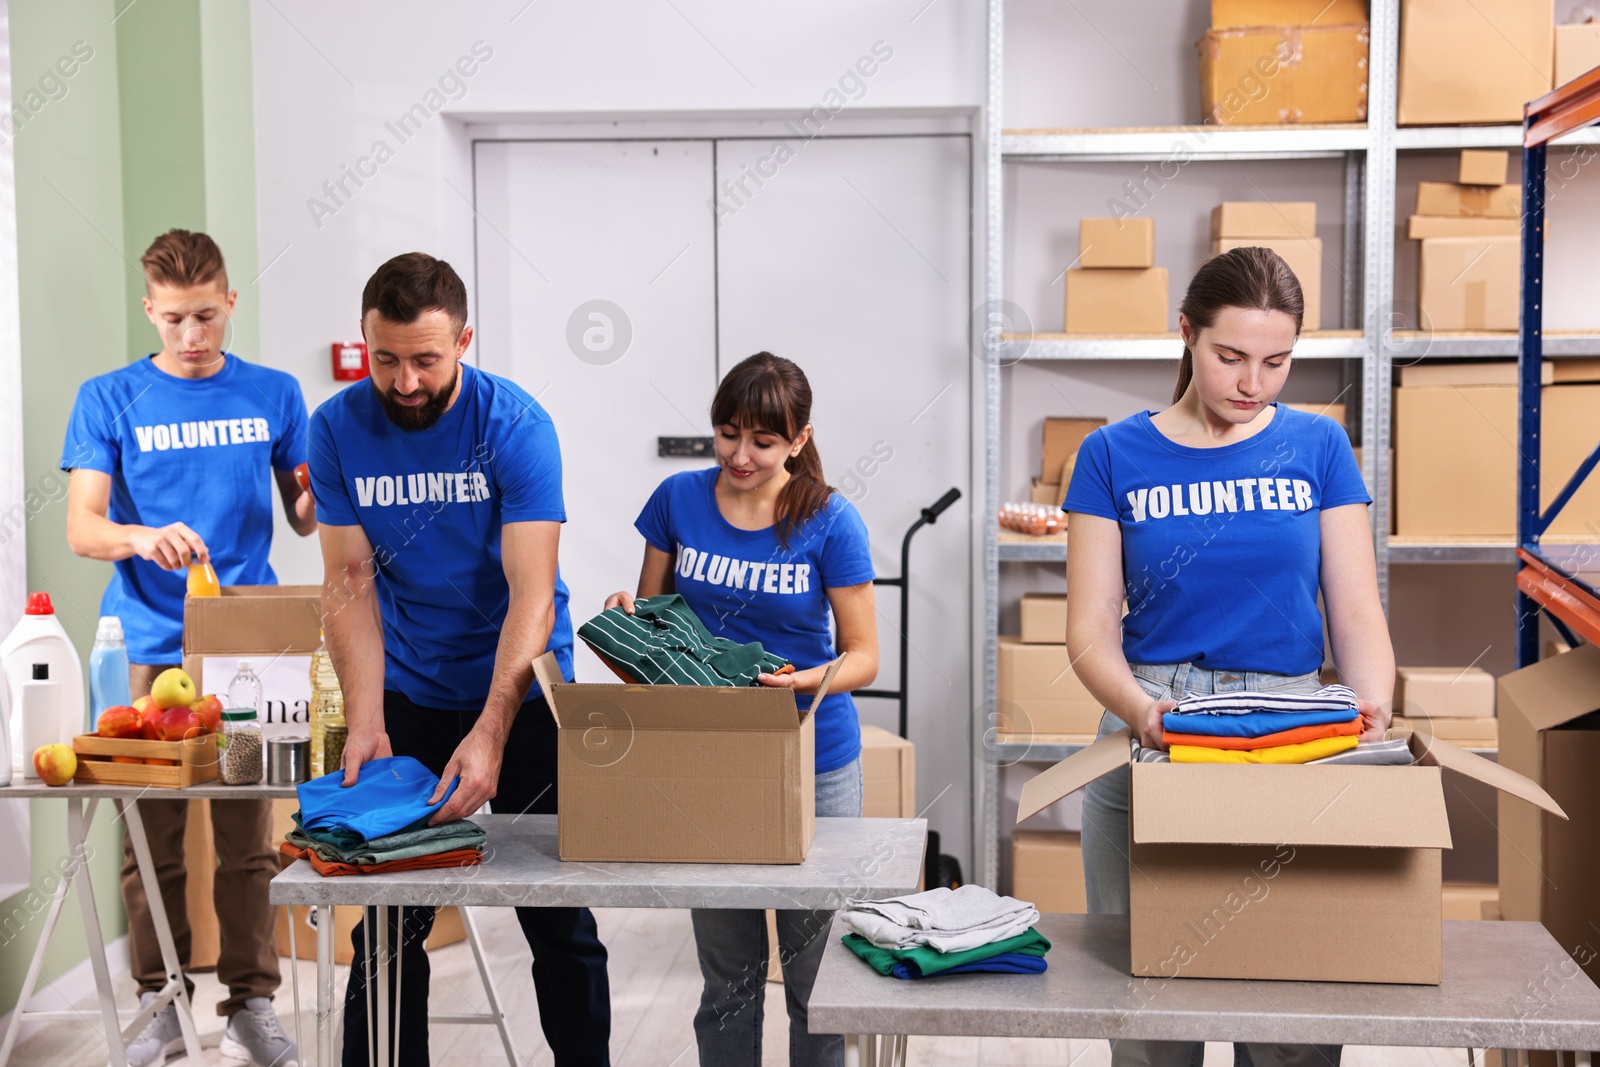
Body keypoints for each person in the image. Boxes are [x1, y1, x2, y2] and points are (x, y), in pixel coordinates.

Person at [1064, 246, 1394, 1067]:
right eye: (1231, 357)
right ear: (1186, 334)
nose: (1255, 383)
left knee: (1291, 1010)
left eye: (1277, 362)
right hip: (1155, 726)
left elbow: (1354, 607)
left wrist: (1371, 701)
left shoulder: (1318, 448)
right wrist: (1143, 713)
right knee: (1152, 1018)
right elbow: (1091, 626)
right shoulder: (1112, 455)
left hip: (1293, 728)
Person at [307, 252, 611, 1067]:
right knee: (388, 915)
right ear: (365, 342)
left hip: (525, 690)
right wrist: (367, 718)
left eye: (426, 360)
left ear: (464, 342)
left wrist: (492, 729)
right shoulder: (335, 428)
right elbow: (348, 578)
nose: (404, 381)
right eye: (386, 359)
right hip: (409, 689)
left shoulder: (514, 426)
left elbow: (532, 594)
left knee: (555, 916)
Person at [63, 229, 315, 1067]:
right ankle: (161, 1001)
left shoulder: (277, 393)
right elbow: (82, 526)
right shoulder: (108, 397)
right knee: (150, 840)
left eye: (206, 316)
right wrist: (139, 537)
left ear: (231, 301)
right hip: (146, 646)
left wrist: (319, 494)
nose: (192, 336)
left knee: (249, 836)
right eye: (174, 320)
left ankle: (252, 1004)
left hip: (248, 642)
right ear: (150, 310)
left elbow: (306, 514)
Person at [603, 352, 879, 1067]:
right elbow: (654, 619)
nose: (742, 455)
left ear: (798, 438)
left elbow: (864, 654)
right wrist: (622, 616)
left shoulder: (829, 519)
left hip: (810, 759)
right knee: (728, 976)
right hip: (710, 760)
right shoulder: (677, 500)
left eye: (762, 440)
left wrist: (803, 681)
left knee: (818, 982)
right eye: (728, 434)